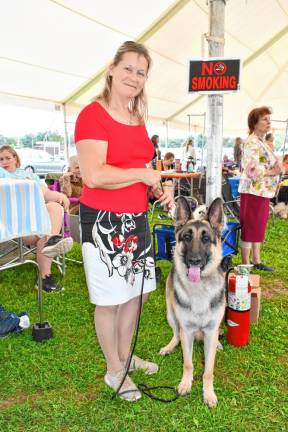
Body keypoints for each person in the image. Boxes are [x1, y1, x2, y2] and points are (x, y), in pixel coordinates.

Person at [74, 41, 173, 402]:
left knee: (135, 294)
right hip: (103, 220)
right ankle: (113, 369)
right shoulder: (92, 115)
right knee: (110, 299)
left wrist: (153, 188)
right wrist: (143, 175)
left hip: (136, 218)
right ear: (112, 69)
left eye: (141, 72)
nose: (134, 76)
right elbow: (94, 175)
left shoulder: (137, 119)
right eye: (128, 68)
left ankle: (126, 357)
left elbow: (138, 173)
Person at [0, 145, 73, 291]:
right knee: (45, 234)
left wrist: (60, 195)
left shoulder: (29, 175)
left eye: (8, 158)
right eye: (0, 159)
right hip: (16, 224)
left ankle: (49, 243)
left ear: (15, 158)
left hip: (37, 222)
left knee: (54, 206)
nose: (4, 162)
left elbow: (45, 193)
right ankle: (49, 245)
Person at [239, 106, 282, 272]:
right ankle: (245, 263)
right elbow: (251, 169)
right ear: (254, 123)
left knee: (258, 225)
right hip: (253, 190)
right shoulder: (251, 142)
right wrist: (274, 171)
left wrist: (277, 167)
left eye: (268, 119)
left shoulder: (261, 141)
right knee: (250, 226)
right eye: (265, 119)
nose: (268, 122)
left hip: (261, 190)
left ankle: (256, 260)